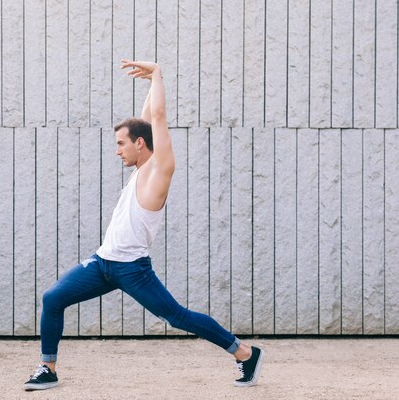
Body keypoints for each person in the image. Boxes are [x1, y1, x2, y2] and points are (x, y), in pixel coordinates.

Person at [23, 60, 263, 391]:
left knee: (177, 317)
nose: (118, 150)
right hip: (103, 262)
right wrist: (151, 84)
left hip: (133, 270)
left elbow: (159, 120)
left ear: (139, 144)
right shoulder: (141, 167)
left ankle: (245, 353)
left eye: (122, 143)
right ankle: (47, 368)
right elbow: (148, 120)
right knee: (53, 298)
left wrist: (160, 73)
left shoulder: (159, 170)